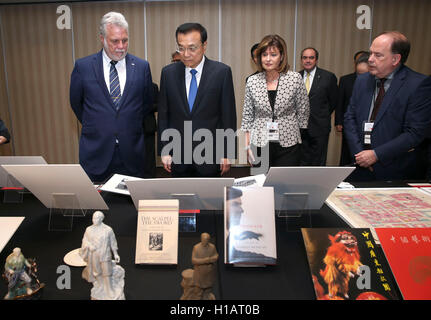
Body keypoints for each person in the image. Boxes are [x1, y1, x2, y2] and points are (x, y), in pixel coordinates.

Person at [70, 12, 153, 182]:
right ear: (102, 38)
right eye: (115, 41)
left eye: (125, 40)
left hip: (131, 154)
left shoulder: (142, 67)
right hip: (96, 153)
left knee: (129, 207)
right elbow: (76, 103)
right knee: (97, 207)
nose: (121, 46)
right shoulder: (83, 67)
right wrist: (99, 123)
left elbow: (146, 105)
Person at [344, 31, 431, 181]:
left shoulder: (417, 85)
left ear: (395, 59)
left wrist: (376, 154)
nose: (370, 59)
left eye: (378, 55)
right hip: (359, 166)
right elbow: (349, 117)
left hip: (394, 169)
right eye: (371, 53)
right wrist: (359, 154)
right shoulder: (362, 80)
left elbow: (415, 133)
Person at [158, 22, 237, 177]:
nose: (186, 54)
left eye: (192, 48)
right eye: (181, 48)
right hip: (178, 153)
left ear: (204, 45)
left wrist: (227, 152)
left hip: (210, 153)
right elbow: (163, 115)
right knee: (181, 198)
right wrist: (164, 149)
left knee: (210, 200)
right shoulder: (168, 74)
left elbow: (228, 116)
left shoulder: (221, 72)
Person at [241, 34, 309, 168]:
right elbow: (247, 117)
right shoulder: (252, 81)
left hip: (288, 143)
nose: (268, 59)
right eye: (264, 54)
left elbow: (303, 111)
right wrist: (247, 146)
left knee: (284, 185)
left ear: (282, 56)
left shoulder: (294, 79)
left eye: (273, 54)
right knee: (261, 185)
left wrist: (295, 134)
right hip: (260, 142)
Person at [299, 47, 338, 166]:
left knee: (318, 162)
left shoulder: (328, 77)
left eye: (311, 57)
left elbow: (333, 101)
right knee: (300, 161)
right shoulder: (295, 77)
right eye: (305, 58)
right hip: (299, 128)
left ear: (316, 60)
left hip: (319, 127)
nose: (308, 60)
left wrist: (321, 114)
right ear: (301, 60)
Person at [335, 52, 370, 165]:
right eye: (358, 74)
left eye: (364, 74)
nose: (360, 78)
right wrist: (339, 121)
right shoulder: (347, 80)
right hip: (351, 126)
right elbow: (340, 102)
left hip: (368, 128)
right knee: (348, 155)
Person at [80, 211, 122, 299]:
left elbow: (113, 242)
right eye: (93, 218)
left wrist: (116, 254)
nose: (94, 220)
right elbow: (85, 240)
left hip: (105, 253)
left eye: (96, 218)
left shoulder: (108, 229)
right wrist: (89, 245)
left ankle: (109, 289)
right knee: (97, 272)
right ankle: (100, 286)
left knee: (107, 272)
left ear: (101, 219)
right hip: (94, 254)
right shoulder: (89, 229)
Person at [191, 232, 218, 300]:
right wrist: (205, 261)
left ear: (209, 240)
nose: (205, 241)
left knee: (207, 292)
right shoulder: (196, 247)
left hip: (209, 274)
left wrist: (210, 259)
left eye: (207, 240)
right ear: (201, 239)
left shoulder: (212, 247)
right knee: (198, 293)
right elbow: (193, 260)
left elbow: (216, 256)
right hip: (199, 274)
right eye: (204, 240)